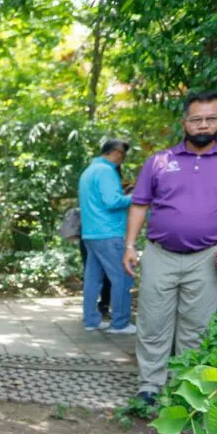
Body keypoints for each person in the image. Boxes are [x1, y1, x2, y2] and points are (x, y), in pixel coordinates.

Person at [124, 90, 217, 404]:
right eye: (196, 119)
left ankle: (185, 388)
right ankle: (149, 387)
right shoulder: (159, 161)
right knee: (153, 322)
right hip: (159, 254)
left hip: (207, 256)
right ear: (184, 122)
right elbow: (140, 204)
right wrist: (130, 245)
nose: (203, 125)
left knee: (197, 327)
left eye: (211, 118)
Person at [78, 139, 134, 333]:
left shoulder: (89, 171)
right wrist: (137, 196)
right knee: (123, 277)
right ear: (116, 153)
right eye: (123, 156)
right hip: (109, 232)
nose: (123, 160)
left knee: (93, 278)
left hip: (91, 233)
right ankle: (120, 323)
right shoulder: (106, 171)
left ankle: (91, 320)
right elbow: (111, 201)